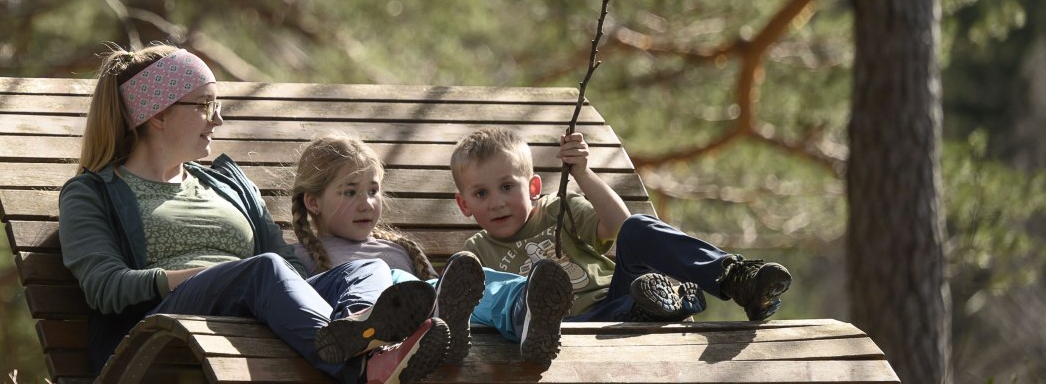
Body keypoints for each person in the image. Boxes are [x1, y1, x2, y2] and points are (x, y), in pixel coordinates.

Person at [58, 44, 451, 384]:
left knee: (368, 269)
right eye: (205, 105)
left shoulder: (227, 183)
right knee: (261, 269)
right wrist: (199, 277)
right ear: (159, 115)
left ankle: (359, 337)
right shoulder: (93, 193)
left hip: (253, 303)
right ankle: (360, 370)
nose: (218, 119)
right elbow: (105, 287)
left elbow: (284, 265)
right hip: (163, 330)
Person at [448, 127, 794, 330]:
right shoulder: (476, 254)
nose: (496, 202)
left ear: (533, 187)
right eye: (481, 193)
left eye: (507, 186)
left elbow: (617, 225)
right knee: (631, 302)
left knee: (637, 228)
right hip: (566, 328)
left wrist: (582, 174)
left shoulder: (557, 208)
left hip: (619, 294)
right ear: (464, 205)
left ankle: (734, 277)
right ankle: (656, 308)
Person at [289, 133, 575, 366]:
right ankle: (442, 323)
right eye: (350, 192)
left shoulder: (396, 248)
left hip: (431, 317)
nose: (367, 203)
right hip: (380, 334)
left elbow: (455, 296)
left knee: (460, 285)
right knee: (405, 284)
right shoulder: (300, 257)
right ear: (313, 202)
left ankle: (521, 307)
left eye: (373, 191)